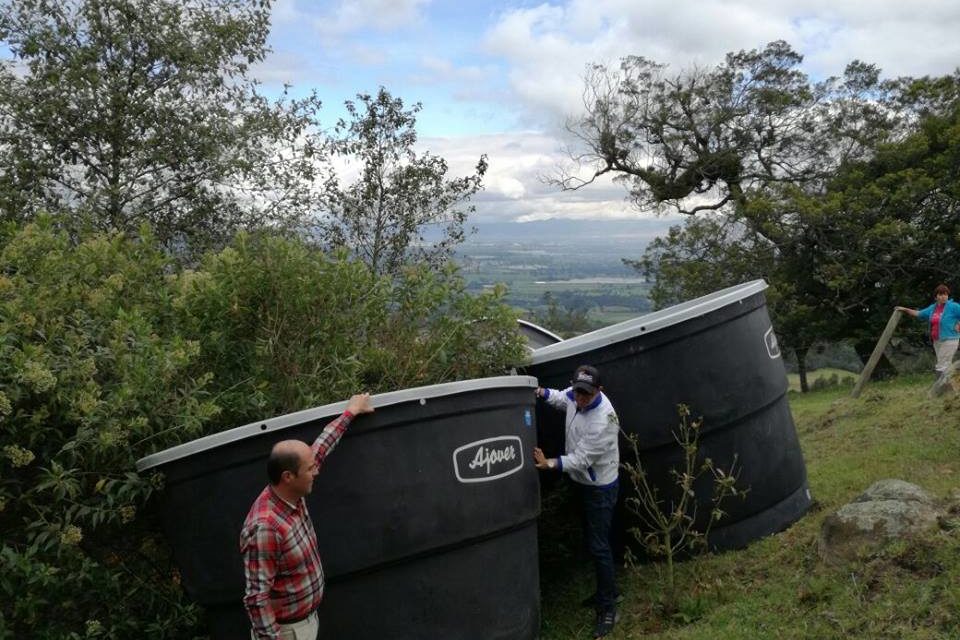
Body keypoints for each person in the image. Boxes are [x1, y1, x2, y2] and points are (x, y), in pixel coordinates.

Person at [240, 393, 375, 640]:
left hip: (306, 621)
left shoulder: (291, 492)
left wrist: (351, 412)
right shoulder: (266, 527)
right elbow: (256, 598)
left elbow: (320, 449)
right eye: (310, 469)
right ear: (288, 476)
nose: (316, 471)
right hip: (287, 632)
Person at [533, 365, 620, 639]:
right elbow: (562, 398)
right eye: (578, 392)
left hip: (599, 487)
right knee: (594, 542)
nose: (580, 399)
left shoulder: (603, 421)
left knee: (599, 546)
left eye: (587, 395)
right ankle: (607, 592)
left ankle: (608, 607)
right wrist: (540, 392)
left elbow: (581, 460)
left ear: (599, 391)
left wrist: (550, 463)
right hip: (583, 483)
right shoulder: (575, 393)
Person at [896, 284, 960, 377]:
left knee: (942, 365)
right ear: (936, 297)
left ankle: (938, 388)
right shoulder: (933, 308)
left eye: (946, 294)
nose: (944, 297)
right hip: (937, 340)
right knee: (945, 363)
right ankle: (948, 387)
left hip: (950, 338)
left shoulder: (954, 306)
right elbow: (919, 313)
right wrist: (905, 309)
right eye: (941, 294)